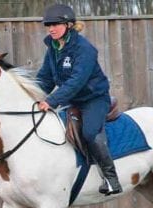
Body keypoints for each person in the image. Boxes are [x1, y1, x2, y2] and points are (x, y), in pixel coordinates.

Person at [36, 3, 122, 195]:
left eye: (55, 25)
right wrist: (31, 95)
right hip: (72, 99)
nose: (51, 29)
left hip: (94, 99)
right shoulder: (53, 47)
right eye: (48, 25)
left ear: (68, 25)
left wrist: (51, 101)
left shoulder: (84, 49)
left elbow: (77, 81)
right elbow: (45, 79)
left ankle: (111, 178)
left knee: (90, 132)